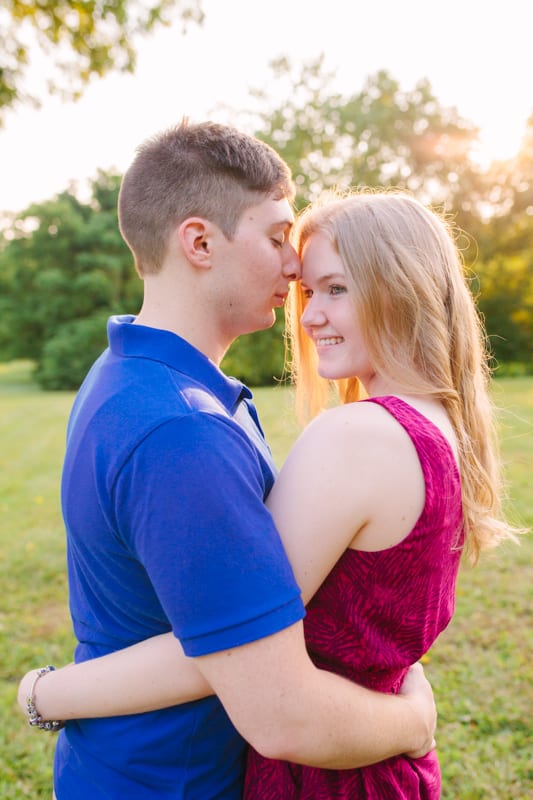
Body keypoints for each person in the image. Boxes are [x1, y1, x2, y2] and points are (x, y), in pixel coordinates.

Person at [18, 126, 439, 799]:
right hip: (173, 781)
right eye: (276, 237)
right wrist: (412, 721)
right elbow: (282, 715)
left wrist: (50, 692)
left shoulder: (132, 372)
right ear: (200, 242)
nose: (294, 266)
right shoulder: (180, 430)